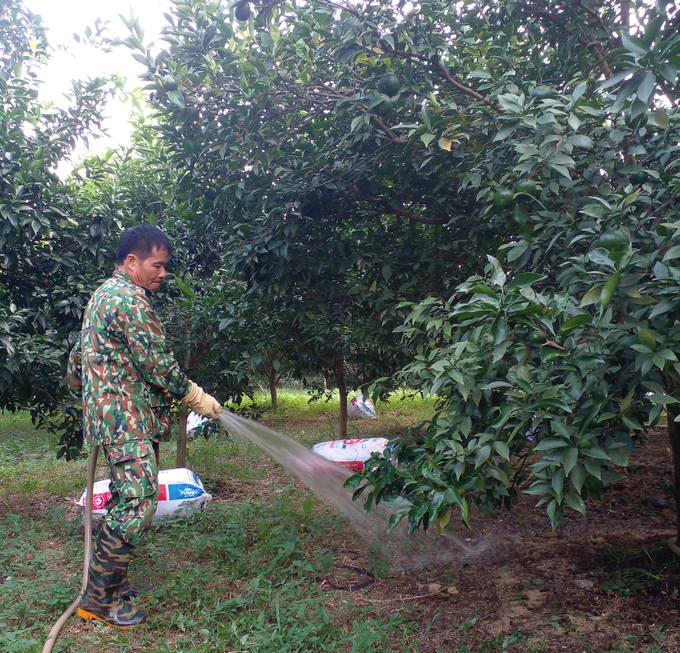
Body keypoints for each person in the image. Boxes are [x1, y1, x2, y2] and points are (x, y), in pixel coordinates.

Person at [67, 224, 221, 629]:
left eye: (165, 266)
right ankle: (97, 599)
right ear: (132, 261)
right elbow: (156, 363)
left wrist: (96, 398)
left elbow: (74, 368)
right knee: (137, 500)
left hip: (115, 417)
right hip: (126, 419)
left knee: (125, 497)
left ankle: (111, 581)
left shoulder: (101, 296)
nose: (163, 274)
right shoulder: (128, 300)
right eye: (157, 265)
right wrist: (192, 395)